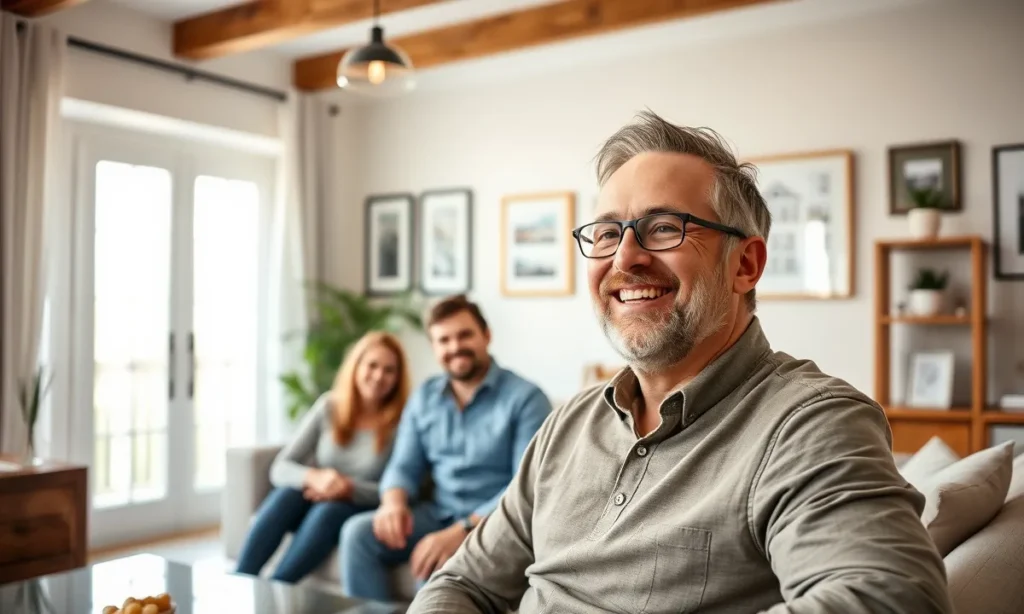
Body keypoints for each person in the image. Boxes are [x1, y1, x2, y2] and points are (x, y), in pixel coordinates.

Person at [407, 111, 955, 613]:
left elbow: (889, 599)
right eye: (605, 233)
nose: (625, 258)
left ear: (745, 264)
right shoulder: (566, 427)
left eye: (664, 227)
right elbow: (463, 584)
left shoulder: (809, 423)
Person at [339, 294, 552, 602]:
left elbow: (525, 489)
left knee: (435, 576)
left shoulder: (526, 399)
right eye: (444, 340)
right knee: (357, 534)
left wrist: (462, 531)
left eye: (465, 335)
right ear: (434, 347)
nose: (455, 347)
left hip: (497, 525)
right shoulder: (424, 397)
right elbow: (404, 466)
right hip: (437, 513)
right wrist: (393, 503)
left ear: (486, 335)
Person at [234, 331, 411, 584]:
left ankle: (277, 588)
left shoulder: (403, 423)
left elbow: (404, 488)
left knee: (329, 510)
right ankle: (240, 579)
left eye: (389, 370)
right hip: (317, 495)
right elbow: (280, 468)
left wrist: (347, 488)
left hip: (361, 505)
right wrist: (315, 477)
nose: (379, 376)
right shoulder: (329, 407)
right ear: (356, 366)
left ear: (398, 377)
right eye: (372, 365)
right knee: (287, 495)